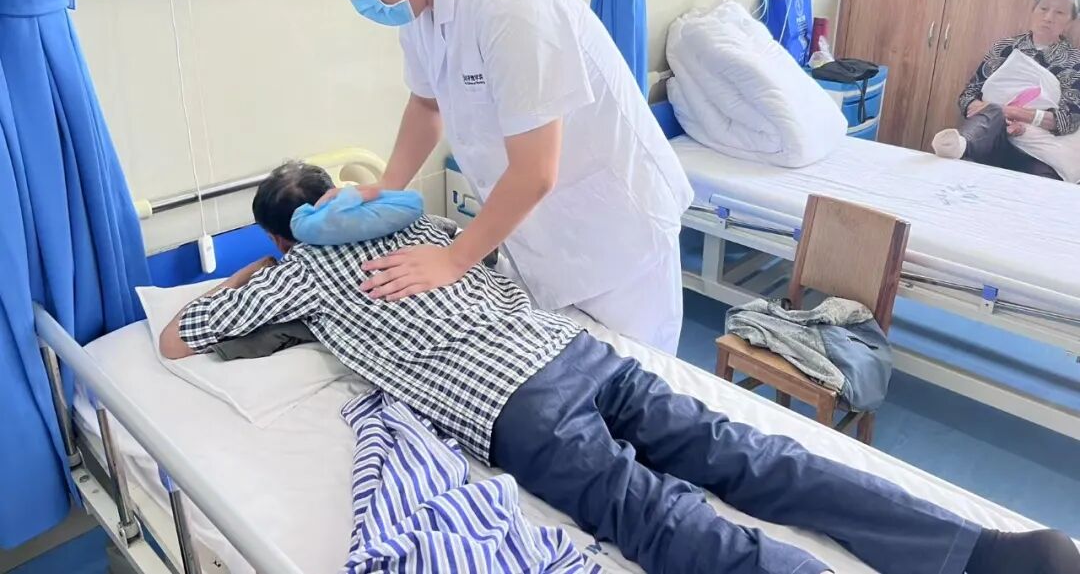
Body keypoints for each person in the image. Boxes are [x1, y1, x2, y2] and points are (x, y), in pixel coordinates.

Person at [161, 163, 1079, 574]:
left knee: (657, 515)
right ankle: (985, 554)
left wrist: (254, 273)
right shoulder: (425, 225)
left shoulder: (296, 276)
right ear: (345, 196)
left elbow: (175, 334)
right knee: (751, 456)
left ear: (282, 235)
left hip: (516, 405)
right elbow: (494, 272)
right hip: (575, 351)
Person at [281, 0, 693, 353]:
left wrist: (454, 259)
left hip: (616, 240)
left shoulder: (509, 0)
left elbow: (535, 171)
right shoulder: (418, 5)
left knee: (634, 383)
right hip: (542, 234)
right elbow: (426, 104)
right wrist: (386, 186)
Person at [932, 0, 1080, 178]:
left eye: (1059, 13)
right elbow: (968, 95)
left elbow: (1068, 120)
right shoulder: (1005, 48)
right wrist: (989, 111)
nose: (1048, 18)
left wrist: (1010, 112)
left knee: (1043, 182)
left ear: (1071, 21)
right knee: (971, 148)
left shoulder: (1074, 62)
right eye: (1043, 9)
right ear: (1033, 10)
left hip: (1037, 149)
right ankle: (958, 146)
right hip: (991, 135)